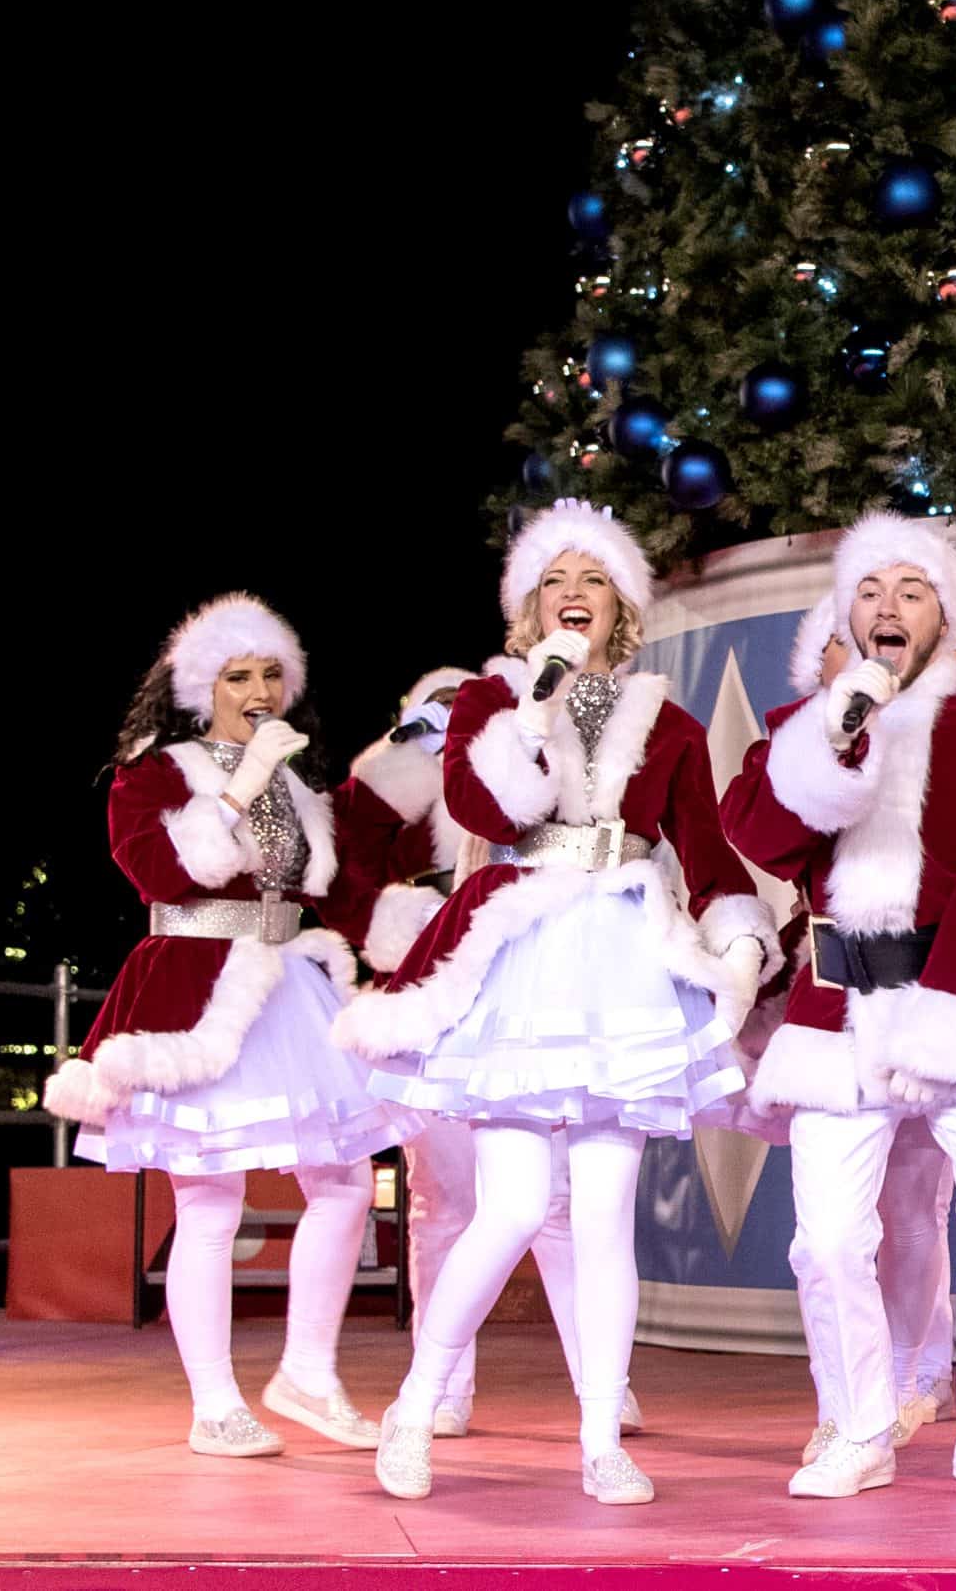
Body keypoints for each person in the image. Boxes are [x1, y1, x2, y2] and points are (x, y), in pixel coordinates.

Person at [334, 500, 777, 1505]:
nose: (573, 595)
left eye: (592, 579)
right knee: (514, 1206)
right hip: (524, 951)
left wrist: (742, 941)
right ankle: (415, 1404)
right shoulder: (491, 700)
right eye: (554, 581)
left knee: (607, 1215)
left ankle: (600, 1439)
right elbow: (481, 807)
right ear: (529, 605)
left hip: (625, 959)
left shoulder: (670, 723)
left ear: (622, 603)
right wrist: (529, 714)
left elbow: (707, 855)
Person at [725, 512, 956, 1507]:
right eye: (869, 591)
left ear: (943, 618)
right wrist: (831, 735)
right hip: (835, 1012)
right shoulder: (805, 730)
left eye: (912, 591)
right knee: (828, 1240)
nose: (889, 606)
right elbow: (763, 836)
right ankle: (861, 1426)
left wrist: (952, 1020)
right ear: (845, 617)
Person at [46, 594, 416, 1459]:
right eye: (238, 676)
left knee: (346, 1184)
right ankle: (214, 1405)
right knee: (210, 1202)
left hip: (289, 987)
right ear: (200, 688)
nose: (258, 691)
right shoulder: (155, 771)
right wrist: (240, 787)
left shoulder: (297, 783)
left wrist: (431, 928)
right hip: (196, 992)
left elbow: (340, 893)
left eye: (271, 675)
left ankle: (308, 1375)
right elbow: (161, 874)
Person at [329, 667, 630, 1441]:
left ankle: (600, 1381)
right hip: (432, 969)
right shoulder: (395, 774)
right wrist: (386, 917)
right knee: (443, 1200)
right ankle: (444, 1387)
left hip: (521, 957)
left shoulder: (525, 739)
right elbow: (338, 857)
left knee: (556, 1199)